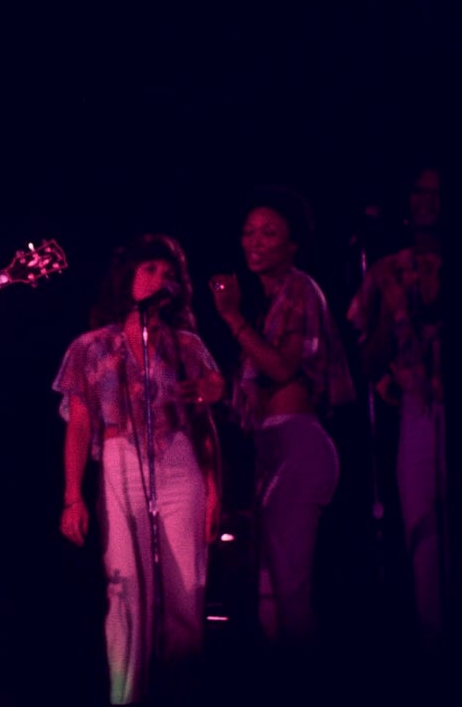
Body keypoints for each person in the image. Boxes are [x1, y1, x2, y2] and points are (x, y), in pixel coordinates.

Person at [53, 233, 224, 705]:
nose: (158, 280)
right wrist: (73, 496)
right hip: (118, 461)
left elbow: (205, 422)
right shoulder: (91, 346)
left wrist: (213, 490)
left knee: (186, 586)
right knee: (124, 586)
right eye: (149, 270)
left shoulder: (187, 345)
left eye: (167, 274)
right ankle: (124, 696)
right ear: (127, 277)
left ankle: (182, 690)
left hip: (179, 461)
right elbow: (80, 424)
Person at [207, 184, 355, 669]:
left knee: (290, 588)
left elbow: (284, 370)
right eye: (249, 232)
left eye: (270, 233)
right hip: (272, 450)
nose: (255, 241)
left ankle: (302, 684)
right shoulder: (268, 306)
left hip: (299, 444)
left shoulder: (300, 289)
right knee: (269, 591)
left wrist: (230, 319)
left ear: (293, 243)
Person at [346, 167, 446, 659]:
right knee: (422, 535)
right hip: (418, 410)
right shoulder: (386, 270)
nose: (429, 201)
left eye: (439, 192)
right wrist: (389, 317)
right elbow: (364, 361)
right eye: (419, 191)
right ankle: (434, 650)